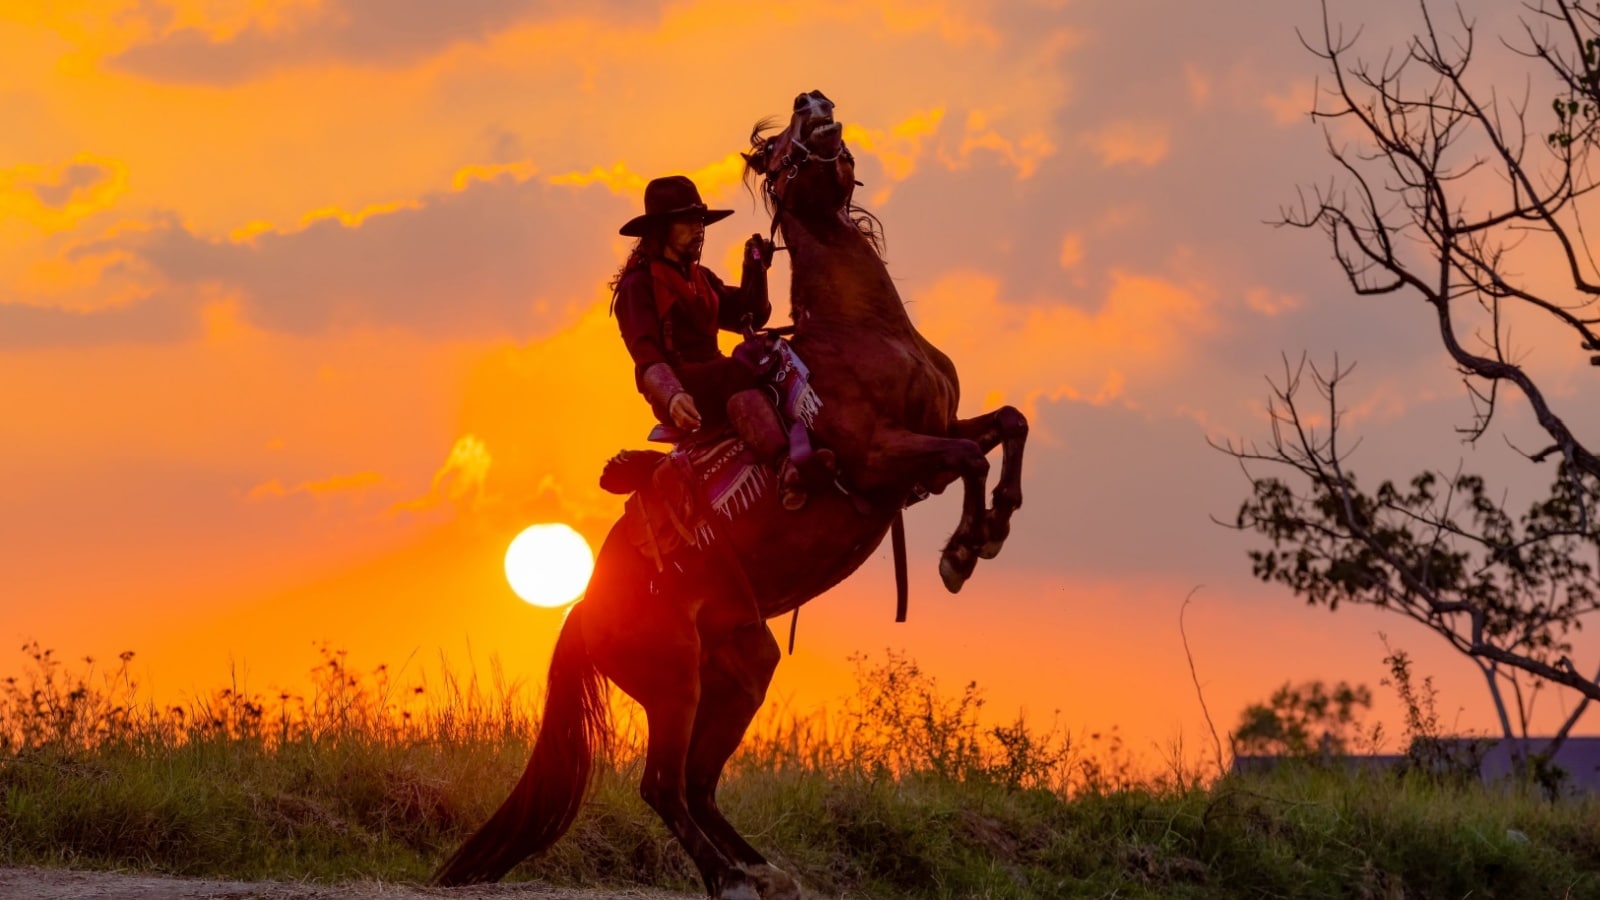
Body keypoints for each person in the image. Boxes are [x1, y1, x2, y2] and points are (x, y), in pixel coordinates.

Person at [611, 175, 829, 510]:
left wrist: (754, 265)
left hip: (721, 374)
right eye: (687, 222)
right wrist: (672, 396)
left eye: (700, 221)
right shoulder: (637, 286)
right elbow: (647, 355)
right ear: (661, 230)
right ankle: (784, 464)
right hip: (683, 388)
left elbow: (750, 315)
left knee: (770, 357)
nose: (698, 229)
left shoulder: (702, 278)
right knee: (741, 363)